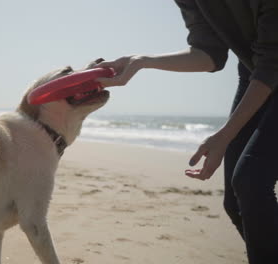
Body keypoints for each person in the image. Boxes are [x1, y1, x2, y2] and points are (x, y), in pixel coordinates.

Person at [93, 1, 278, 263]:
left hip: (268, 65)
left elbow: (272, 62)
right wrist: (141, 62)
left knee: (251, 181)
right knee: (236, 203)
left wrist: (224, 135)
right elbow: (209, 54)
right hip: (253, 70)